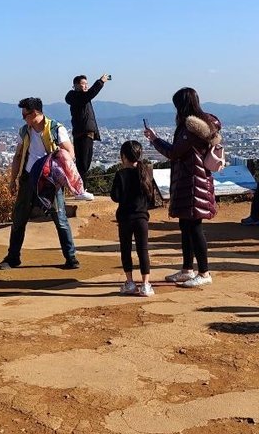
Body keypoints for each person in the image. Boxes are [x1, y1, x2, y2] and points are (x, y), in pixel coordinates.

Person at [144, 87, 221, 288]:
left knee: (194, 227)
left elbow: (174, 153)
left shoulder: (190, 128)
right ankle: (188, 269)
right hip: (195, 179)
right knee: (186, 226)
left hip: (192, 181)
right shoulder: (205, 124)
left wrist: (154, 140)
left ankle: (204, 272)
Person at [0, 98, 80, 270]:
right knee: (19, 218)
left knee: (60, 218)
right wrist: (13, 179)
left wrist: (56, 163)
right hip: (28, 177)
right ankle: (13, 257)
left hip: (50, 180)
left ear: (34, 113)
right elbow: (18, 156)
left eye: (25, 115)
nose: (23, 118)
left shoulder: (56, 128)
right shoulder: (24, 131)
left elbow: (70, 153)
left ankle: (71, 257)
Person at [110, 140, 162, 297]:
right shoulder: (145, 172)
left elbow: (115, 197)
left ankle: (130, 282)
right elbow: (151, 197)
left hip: (125, 218)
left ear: (123, 157)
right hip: (141, 218)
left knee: (125, 249)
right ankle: (146, 284)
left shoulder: (121, 175)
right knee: (143, 250)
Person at [65, 74, 110, 183]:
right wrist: (101, 81)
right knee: (83, 164)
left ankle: (81, 188)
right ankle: (81, 188)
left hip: (87, 133)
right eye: (83, 84)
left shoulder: (81, 98)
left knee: (85, 163)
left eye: (86, 84)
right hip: (82, 133)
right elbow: (90, 94)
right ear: (76, 85)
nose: (86, 86)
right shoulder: (76, 97)